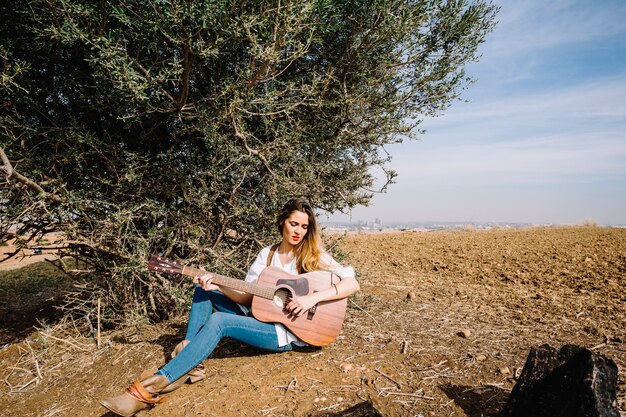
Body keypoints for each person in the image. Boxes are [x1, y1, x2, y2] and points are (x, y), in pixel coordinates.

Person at [100, 197, 360, 416]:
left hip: (289, 333)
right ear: (282, 221)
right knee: (204, 291)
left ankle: (148, 390)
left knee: (220, 322)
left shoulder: (313, 255)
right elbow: (248, 298)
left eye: (304, 226)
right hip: (261, 317)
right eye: (294, 224)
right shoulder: (266, 255)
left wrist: (311, 299)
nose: (298, 231)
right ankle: (193, 358)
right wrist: (219, 285)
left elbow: (352, 284)